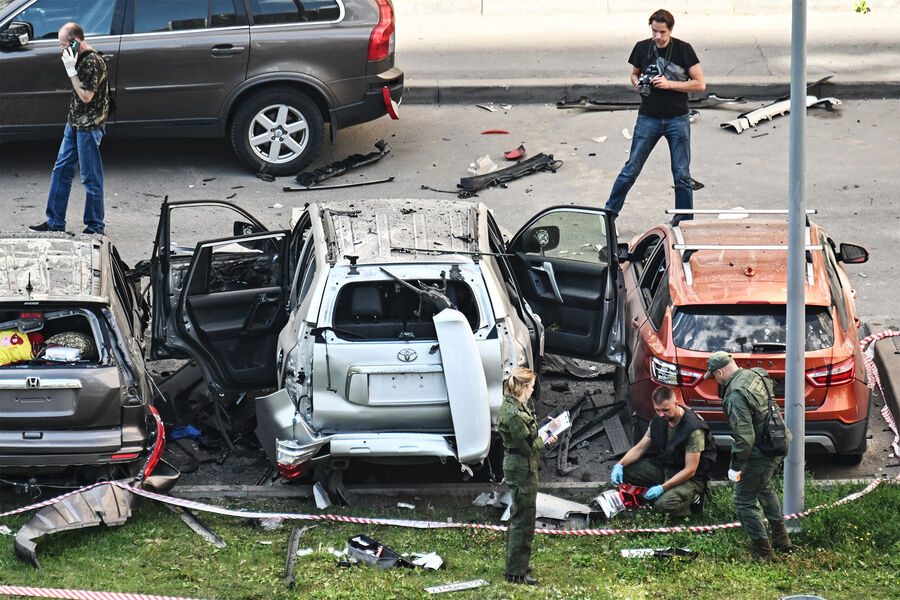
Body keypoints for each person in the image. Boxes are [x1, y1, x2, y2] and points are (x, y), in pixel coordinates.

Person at [604, 9, 705, 223]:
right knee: (631, 169)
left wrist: (669, 84)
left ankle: (685, 223)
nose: (657, 37)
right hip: (648, 118)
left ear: (671, 30)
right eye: (654, 31)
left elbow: (700, 84)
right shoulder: (642, 47)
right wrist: (637, 82)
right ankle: (609, 216)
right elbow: (634, 73)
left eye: (662, 32)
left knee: (682, 174)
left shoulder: (683, 49)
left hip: (677, 118)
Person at [706, 351, 794, 560]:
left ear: (720, 372)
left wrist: (735, 467)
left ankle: (764, 552)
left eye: (714, 375)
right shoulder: (755, 374)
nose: (715, 380)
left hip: (761, 451)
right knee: (764, 488)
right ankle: (782, 540)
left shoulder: (735, 395)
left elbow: (745, 438)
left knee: (743, 500)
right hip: (778, 439)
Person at [30, 22, 110, 235]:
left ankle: (95, 226)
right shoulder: (79, 58)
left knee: (90, 177)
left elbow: (86, 96)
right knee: (61, 170)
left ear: (75, 42)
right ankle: (55, 222)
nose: (62, 49)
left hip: (89, 126)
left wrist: (71, 71)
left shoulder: (92, 61)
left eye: (63, 44)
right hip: (74, 122)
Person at [610, 386, 716, 516]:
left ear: (676, 404)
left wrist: (662, 488)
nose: (661, 414)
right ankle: (663, 491)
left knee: (662, 506)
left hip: (690, 478)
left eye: (665, 410)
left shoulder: (693, 429)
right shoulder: (659, 419)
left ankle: (695, 497)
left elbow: (691, 470)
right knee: (626, 470)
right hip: (667, 466)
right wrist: (619, 465)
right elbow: (640, 448)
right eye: (657, 410)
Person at [497, 367, 558, 586]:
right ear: (523, 387)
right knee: (523, 519)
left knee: (523, 516)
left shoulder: (515, 406)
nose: (533, 390)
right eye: (531, 386)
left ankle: (518, 563)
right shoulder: (514, 414)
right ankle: (516, 572)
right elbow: (528, 447)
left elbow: (528, 439)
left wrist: (545, 434)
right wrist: (548, 434)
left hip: (523, 466)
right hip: (521, 468)